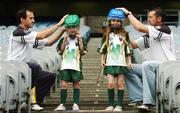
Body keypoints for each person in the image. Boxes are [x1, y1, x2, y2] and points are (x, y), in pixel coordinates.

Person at [7, 8, 68, 111]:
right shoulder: (18, 32)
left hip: (25, 68)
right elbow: (42, 35)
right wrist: (59, 24)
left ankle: (34, 102)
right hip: (15, 67)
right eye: (31, 18)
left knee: (50, 76)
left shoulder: (27, 35)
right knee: (34, 67)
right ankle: (32, 102)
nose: (34, 20)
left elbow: (49, 42)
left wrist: (62, 30)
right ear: (22, 19)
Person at [116, 7, 176, 110]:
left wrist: (128, 13)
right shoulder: (151, 35)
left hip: (166, 67)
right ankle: (139, 98)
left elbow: (139, 27)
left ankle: (149, 102)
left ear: (159, 19)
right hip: (156, 67)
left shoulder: (165, 30)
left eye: (151, 17)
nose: (148, 19)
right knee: (127, 67)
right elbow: (133, 45)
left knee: (147, 65)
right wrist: (120, 35)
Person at [98, 8, 132, 112]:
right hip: (110, 63)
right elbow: (103, 48)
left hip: (121, 63)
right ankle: (111, 105)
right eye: (113, 20)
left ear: (121, 22)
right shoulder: (106, 34)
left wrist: (129, 61)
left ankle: (119, 105)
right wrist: (102, 60)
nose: (115, 22)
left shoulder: (125, 34)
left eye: (118, 20)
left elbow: (128, 49)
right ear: (110, 21)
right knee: (110, 84)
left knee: (120, 84)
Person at [54, 14, 86, 111]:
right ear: (66, 28)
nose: (72, 29)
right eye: (69, 27)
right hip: (65, 65)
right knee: (64, 84)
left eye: (74, 27)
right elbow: (61, 51)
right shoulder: (63, 39)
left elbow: (82, 52)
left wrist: (80, 41)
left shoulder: (80, 39)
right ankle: (62, 104)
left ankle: (75, 103)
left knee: (76, 84)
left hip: (76, 65)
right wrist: (64, 42)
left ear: (78, 27)